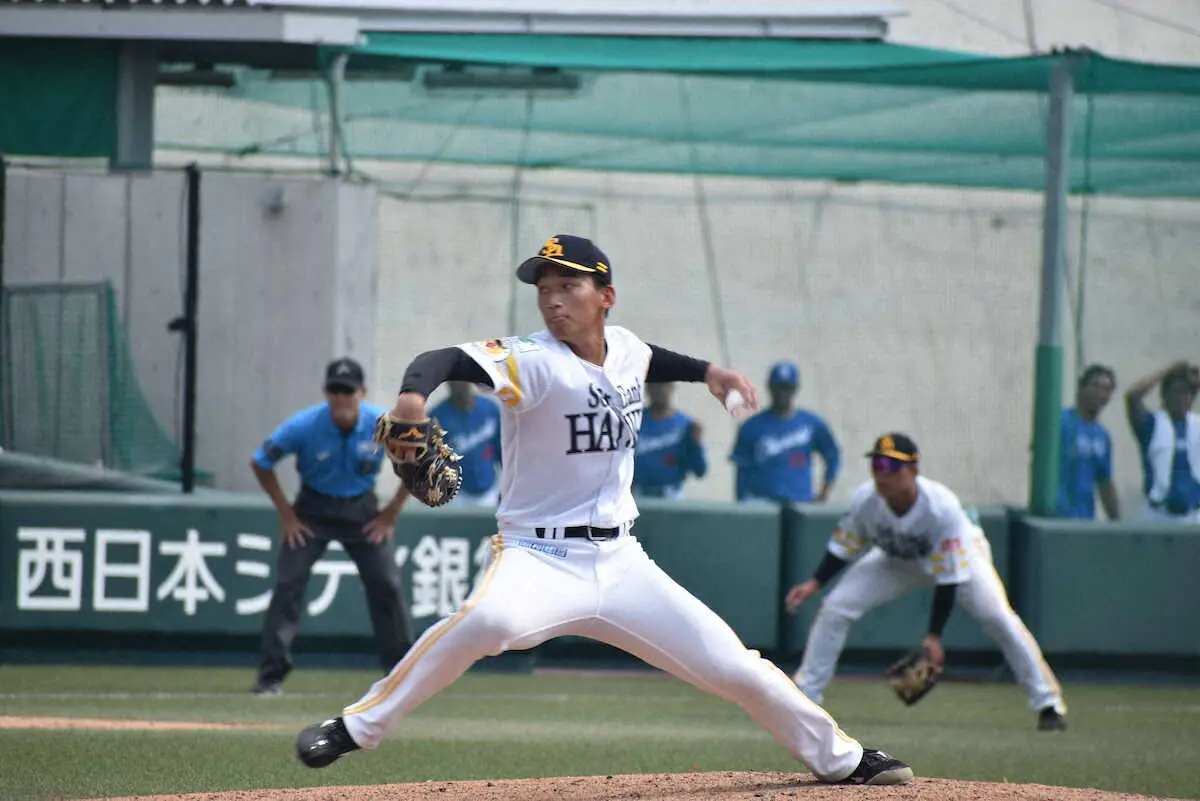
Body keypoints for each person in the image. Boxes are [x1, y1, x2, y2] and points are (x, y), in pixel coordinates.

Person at [295, 234, 914, 786]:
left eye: (569, 285)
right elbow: (445, 360)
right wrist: (410, 398)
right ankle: (356, 728)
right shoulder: (531, 361)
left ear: (606, 295)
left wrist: (711, 373)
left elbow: (648, 357)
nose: (553, 299)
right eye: (544, 287)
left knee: (733, 664)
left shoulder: (621, 348)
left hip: (621, 562)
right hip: (537, 555)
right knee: (486, 624)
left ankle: (843, 760)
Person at [785, 433, 1068, 732]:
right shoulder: (866, 499)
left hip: (963, 557)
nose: (883, 473)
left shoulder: (941, 507)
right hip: (895, 560)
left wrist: (933, 637)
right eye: (877, 464)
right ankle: (806, 695)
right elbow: (845, 545)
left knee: (998, 618)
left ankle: (1048, 704)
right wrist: (815, 583)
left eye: (893, 466)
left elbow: (948, 579)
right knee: (835, 608)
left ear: (914, 470)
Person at [249, 357, 414, 695]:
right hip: (312, 510)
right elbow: (261, 461)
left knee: (386, 584)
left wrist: (390, 514)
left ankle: (401, 676)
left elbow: (416, 460)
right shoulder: (305, 425)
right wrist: (286, 514)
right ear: (326, 393)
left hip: (363, 511)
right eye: (334, 391)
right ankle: (270, 676)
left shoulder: (381, 423)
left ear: (361, 393)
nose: (341, 398)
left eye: (348, 391)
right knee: (288, 583)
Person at [730, 361, 840, 504]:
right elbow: (742, 470)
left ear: (795, 389)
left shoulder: (811, 424)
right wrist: (742, 505)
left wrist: (824, 494)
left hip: (800, 502)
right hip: (762, 505)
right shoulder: (751, 427)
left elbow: (832, 455)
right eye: (779, 388)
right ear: (770, 387)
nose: (783, 393)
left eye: (787, 388)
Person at [1124, 360, 1200, 523]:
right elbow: (1132, 397)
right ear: (1165, 394)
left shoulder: (1197, 426)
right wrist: (1167, 371)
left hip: (1193, 515)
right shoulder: (1151, 425)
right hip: (1158, 514)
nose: (1185, 397)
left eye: (1190, 392)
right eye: (1179, 391)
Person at [1057, 364, 1120, 520]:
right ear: (1081, 387)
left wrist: (1117, 521)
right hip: (1056, 517)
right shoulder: (1060, 421)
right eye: (1095, 386)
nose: (1100, 394)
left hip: (1085, 519)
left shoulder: (1102, 436)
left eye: (1106, 389)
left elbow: (1104, 481)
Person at [430, 381, 502, 506]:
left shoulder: (490, 409)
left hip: (489, 492)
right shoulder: (437, 418)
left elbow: (504, 452)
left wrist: (510, 487)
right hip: (456, 496)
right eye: (454, 380)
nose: (459, 385)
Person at [632, 382, 707, 499]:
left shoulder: (686, 425)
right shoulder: (634, 421)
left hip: (671, 495)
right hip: (639, 494)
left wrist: (696, 444)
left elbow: (700, 471)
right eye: (654, 385)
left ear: (672, 387)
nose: (658, 390)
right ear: (647, 388)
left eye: (663, 384)